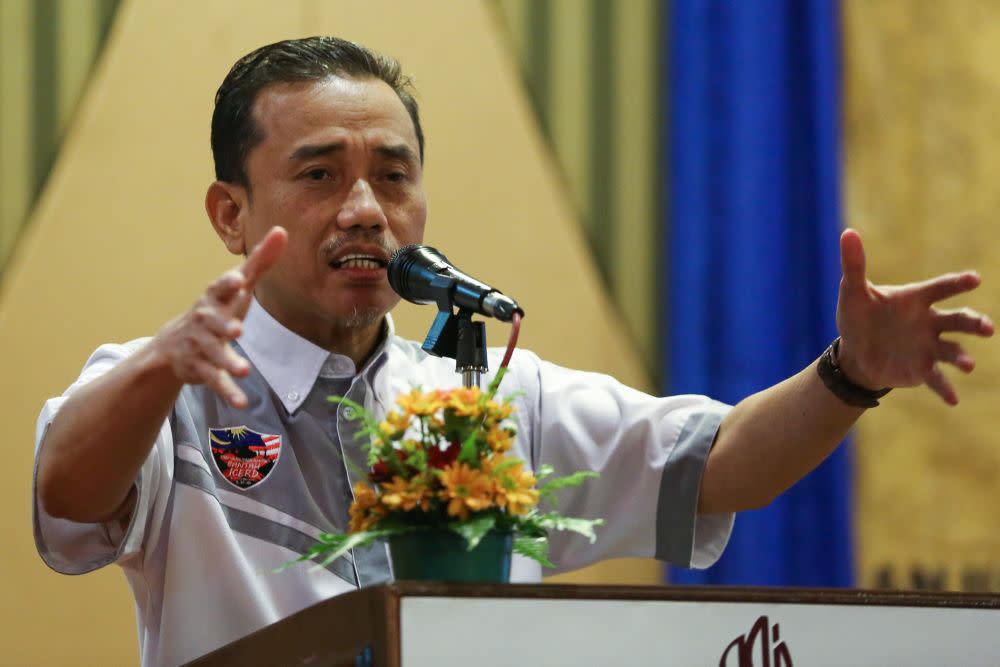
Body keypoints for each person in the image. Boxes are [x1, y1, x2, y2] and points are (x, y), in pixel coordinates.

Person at [32, 36, 993, 666]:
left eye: (392, 176)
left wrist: (852, 372)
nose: (366, 209)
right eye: (319, 174)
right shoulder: (167, 384)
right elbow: (68, 496)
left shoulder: (487, 391)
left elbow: (718, 465)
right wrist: (166, 363)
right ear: (230, 214)